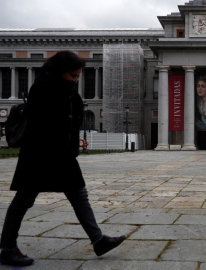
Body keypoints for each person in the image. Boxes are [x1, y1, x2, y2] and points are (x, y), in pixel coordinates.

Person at [0, 51, 125, 266]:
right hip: (39, 156)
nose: (76, 80)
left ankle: (98, 240)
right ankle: (7, 248)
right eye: (73, 76)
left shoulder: (68, 90)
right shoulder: (42, 88)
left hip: (63, 156)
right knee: (23, 200)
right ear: (59, 71)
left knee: (79, 195)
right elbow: (43, 125)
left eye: (78, 76)